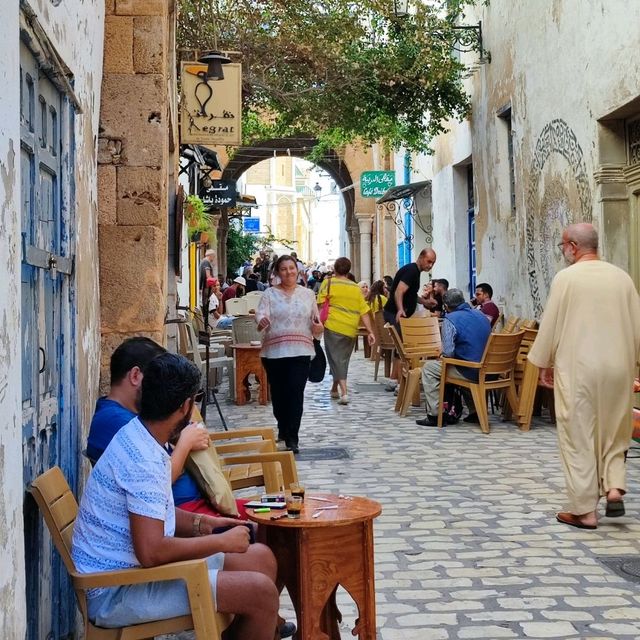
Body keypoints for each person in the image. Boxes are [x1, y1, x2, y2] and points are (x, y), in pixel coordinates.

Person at [72, 353, 280, 639]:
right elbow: (151, 551)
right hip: (118, 591)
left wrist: (205, 525)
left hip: (133, 574)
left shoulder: (141, 436)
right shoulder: (143, 459)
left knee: (261, 558)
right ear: (185, 406)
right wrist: (219, 541)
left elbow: (153, 513)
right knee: (260, 593)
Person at [528, 223, 640, 530]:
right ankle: (614, 488)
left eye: (562, 245)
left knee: (579, 434)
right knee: (616, 431)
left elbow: (551, 324)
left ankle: (584, 510)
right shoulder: (622, 278)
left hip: (579, 368)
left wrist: (542, 363)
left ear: (573, 246)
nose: (562, 251)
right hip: (619, 367)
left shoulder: (567, 279)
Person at [256, 255, 324, 453]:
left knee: (295, 393)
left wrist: (318, 327)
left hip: (301, 350)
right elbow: (261, 314)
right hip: (274, 352)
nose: (288, 272)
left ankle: (292, 436)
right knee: (279, 395)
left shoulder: (308, 295)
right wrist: (261, 321)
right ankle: (283, 427)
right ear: (277, 273)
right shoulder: (269, 294)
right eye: (283, 269)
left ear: (298, 270)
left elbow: (316, 320)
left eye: (291, 268)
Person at [417, 288, 491, 427]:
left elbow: (449, 353)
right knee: (465, 362)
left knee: (429, 369)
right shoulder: (481, 315)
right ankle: (475, 411)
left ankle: (435, 415)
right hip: (490, 370)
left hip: (471, 371)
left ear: (446, 306)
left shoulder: (450, 320)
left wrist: (441, 355)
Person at [317, 257, 376, 404]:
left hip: (332, 325)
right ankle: (334, 388)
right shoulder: (355, 288)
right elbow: (364, 312)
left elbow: (319, 304)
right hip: (350, 328)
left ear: (335, 269)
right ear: (349, 270)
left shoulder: (328, 282)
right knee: (341, 359)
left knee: (336, 358)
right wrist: (371, 331)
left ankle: (344, 392)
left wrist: (316, 323)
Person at [383, 248, 437, 390]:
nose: (430, 265)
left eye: (433, 263)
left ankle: (394, 380)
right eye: (429, 261)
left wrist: (424, 302)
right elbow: (399, 291)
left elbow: (410, 294)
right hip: (395, 312)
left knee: (400, 346)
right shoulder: (412, 271)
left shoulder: (415, 271)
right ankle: (401, 383)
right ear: (421, 257)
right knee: (404, 347)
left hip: (397, 312)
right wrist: (400, 309)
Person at [199, 249, 216, 322]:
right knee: (205, 307)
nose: (214, 258)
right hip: (206, 288)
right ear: (211, 256)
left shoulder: (203, 262)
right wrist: (214, 283)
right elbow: (208, 277)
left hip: (204, 288)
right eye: (214, 256)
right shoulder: (206, 262)